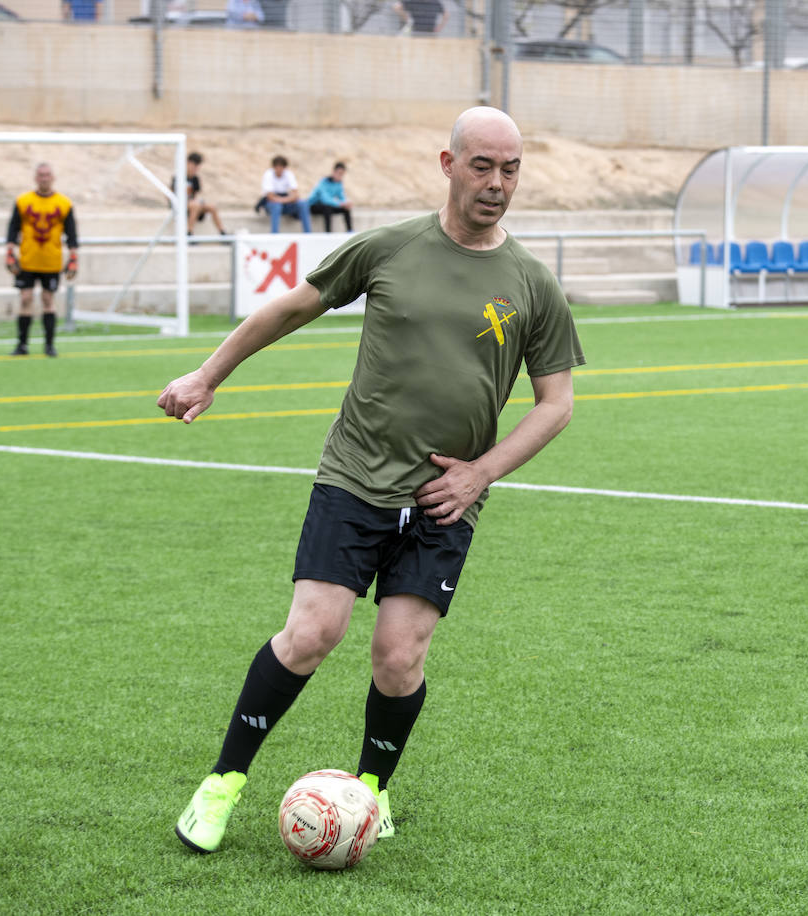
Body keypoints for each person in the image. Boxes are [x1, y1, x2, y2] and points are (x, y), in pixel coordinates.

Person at [161, 106, 585, 856]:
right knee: (312, 633)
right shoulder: (389, 248)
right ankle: (222, 783)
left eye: (511, 168)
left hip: (446, 499)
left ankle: (370, 794)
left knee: (398, 657)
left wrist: (481, 474)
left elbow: (556, 404)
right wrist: (207, 374)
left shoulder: (532, 283)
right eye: (482, 165)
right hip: (355, 477)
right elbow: (293, 307)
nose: (496, 183)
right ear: (448, 165)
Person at [5, 162, 78, 357]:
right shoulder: (23, 201)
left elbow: (72, 234)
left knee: (48, 299)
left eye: (47, 175)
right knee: (25, 298)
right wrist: (9, 252)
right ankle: (22, 345)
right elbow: (13, 228)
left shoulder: (64, 203)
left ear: (52, 177)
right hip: (28, 259)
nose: (44, 178)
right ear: (36, 178)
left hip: (51, 261)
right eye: (40, 175)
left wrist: (73, 257)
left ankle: (49, 346)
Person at [178, 152, 228, 236]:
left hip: (192, 203)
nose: (196, 168)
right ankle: (189, 232)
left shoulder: (195, 178)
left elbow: (196, 194)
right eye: (194, 165)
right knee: (195, 205)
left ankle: (222, 232)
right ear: (188, 163)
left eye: (197, 166)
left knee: (212, 207)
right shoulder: (179, 176)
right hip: (181, 204)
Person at [260, 155, 311, 233]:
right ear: (273, 167)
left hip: (284, 201)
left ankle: (308, 233)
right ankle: (274, 235)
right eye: (277, 167)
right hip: (272, 204)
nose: (279, 169)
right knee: (276, 206)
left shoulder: (288, 174)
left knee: (303, 203)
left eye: (281, 167)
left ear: (284, 167)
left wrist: (282, 200)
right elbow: (270, 196)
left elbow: (296, 194)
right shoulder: (268, 174)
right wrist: (287, 199)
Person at [308, 162, 353, 233]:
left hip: (327, 205)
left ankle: (350, 231)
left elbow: (342, 197)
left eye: (342, 174)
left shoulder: (339, 184)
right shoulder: (323, 182)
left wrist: (346, 203)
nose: (340, 176)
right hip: (313, 206)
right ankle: (328, 232)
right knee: (327, 208)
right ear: (334, 172)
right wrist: (341, 204)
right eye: (339, 173)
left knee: (346, 209)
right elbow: (325, 199)